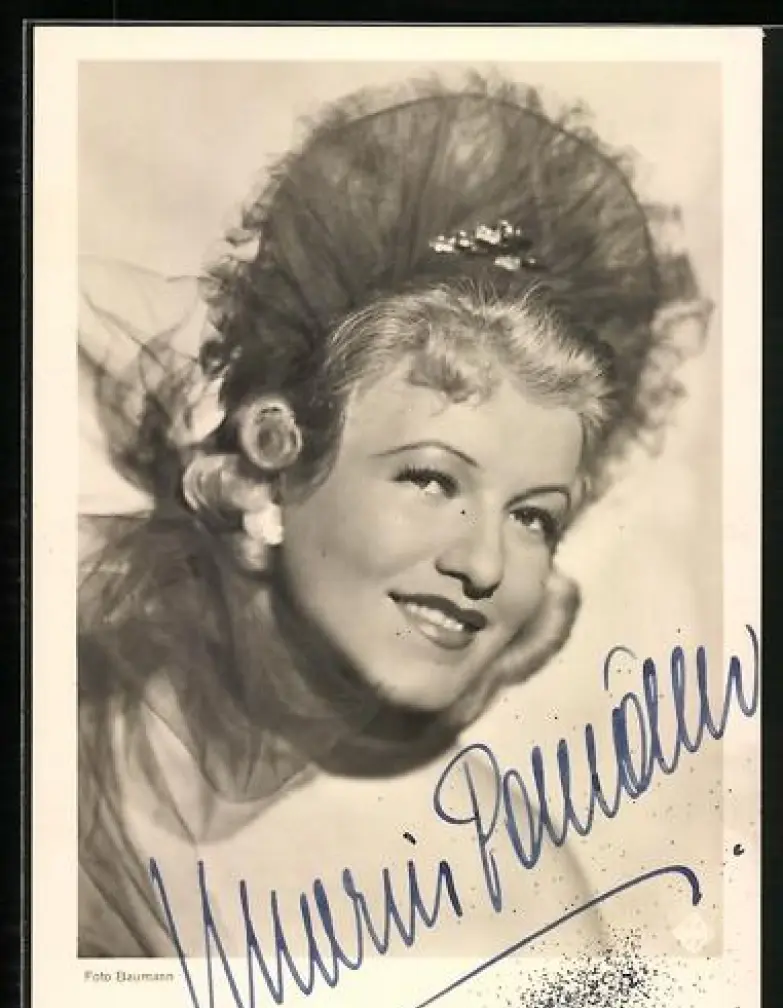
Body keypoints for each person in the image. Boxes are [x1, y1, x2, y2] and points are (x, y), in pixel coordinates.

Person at [77, 76, 708, 959]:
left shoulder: (504, 885)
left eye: (533, 518)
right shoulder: (62, 741)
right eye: (432, 480)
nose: (485, 564)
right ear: (275, 471)